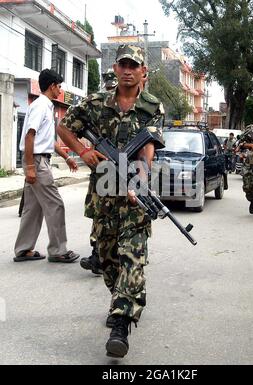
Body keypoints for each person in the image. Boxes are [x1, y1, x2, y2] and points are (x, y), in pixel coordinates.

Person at [57, 44, 164, 358]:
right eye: (123, 64)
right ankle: (119, 297)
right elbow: (64, 128)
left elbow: (149, 146)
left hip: (133, 195)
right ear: (115, 69)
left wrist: (142, 180)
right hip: (104, 194)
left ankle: (121, 324)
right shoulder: (94, 103)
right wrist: (83, 151)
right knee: (107, 260)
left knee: (133, 257)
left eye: (134, 65)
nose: (128, 70)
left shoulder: (152, 106)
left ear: (143, 71)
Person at [14, 69, 80, 263]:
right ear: (52, 86)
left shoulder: (45, 106)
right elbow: (29, 136)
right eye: (59, 86)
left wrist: (66, 157)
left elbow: (48, 141)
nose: (60, 90)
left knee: (32, 208)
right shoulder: (41, 105)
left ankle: (23, 249)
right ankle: (58, 250)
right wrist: (30, 167)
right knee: (55, 205)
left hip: (37, 159)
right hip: (36, 161)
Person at [79, 69, 118, 276]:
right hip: (101, 168)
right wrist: (85, 153)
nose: (110, 88)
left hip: (120, 167)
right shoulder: (95, 104)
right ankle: (98, 255)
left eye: (112, 85)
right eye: (108, 85)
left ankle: (106, 256)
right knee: (99, 212)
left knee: (111, 214)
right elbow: (75, 129)